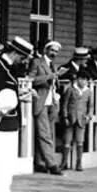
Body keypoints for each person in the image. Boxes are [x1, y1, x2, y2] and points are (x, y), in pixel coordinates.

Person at [0, 36, 34, 192]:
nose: (21, 61)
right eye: (21, 57)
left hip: (10, 119)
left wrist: (21, 96)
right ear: (15, 53)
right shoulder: (0, 68)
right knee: (2, 158)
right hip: (2, 120)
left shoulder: (8, 68)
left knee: (8, 159)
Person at [28, 40, 66, 175]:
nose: (54, 53)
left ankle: (39, 162)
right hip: (40, 101)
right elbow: (31, 80)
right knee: (45, 134)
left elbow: (54, 82)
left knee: (48, 133)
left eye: (56, 51)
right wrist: (52, 76)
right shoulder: (37, 62)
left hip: (51, 102)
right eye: (52, 50)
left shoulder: (53, 65)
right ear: (46, 50)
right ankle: (52, 164)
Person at [60, 69, 94, 171]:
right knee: (67, 140)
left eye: (85, 80)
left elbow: (91, 106)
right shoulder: (71, 89)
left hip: (81, 119)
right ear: (77, 79)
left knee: (80, 141)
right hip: (71, 118)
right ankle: (64, 162)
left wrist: (89, 116)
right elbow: (64, 105)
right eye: (81, 79)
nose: (83, 82)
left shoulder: (88, 92)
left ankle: (79, 163)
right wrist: (65, 116)